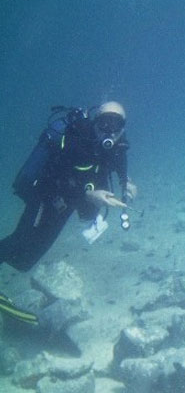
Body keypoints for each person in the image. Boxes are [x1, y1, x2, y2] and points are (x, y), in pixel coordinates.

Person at [0, 101, 137, 323]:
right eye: (104, 123)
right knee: (21, 238)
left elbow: (120, 168)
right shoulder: (78, 140)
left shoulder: (119, 146)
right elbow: (56, 177)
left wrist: (126, 183)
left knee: (26, 260)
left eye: (116, 124)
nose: (109, 131)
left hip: (66, 205)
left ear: (123, 127)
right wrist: (88, 195)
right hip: (44, 194)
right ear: (95, 123)